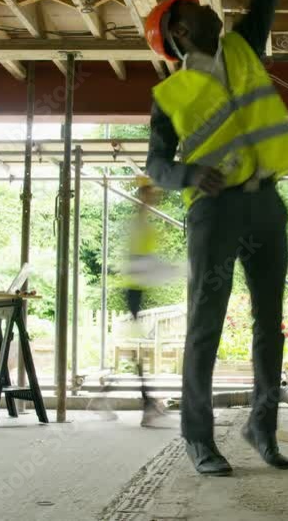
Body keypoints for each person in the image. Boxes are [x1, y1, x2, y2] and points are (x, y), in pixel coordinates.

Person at [143, 0, 288, 476]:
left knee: (269, 325)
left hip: (265, 204)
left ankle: (262, 426)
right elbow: (155, 165)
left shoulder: (241, 47)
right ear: (182, 30)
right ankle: (198, 438)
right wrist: (190, 175)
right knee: (205, 325)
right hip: (214, 210)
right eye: (198, 7)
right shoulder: (169, 96)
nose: (213, 7)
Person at [122, 177, 180, 429]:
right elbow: (139, 263)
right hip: (133, 291)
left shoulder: (143, 222)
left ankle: (149, 404)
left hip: (137, 290)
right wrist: (171, 270)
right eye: (151, 194)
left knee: (138, 351)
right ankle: (147, 405)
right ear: (143, 195)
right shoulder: (139, 224)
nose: (155, 197)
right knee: (138, 351)